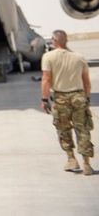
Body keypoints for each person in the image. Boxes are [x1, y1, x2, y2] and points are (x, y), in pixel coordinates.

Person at [40, 30, 94, 175]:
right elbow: (86, 81)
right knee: (82, 129)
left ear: (55, 41)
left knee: (63, 129)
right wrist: (87, 98)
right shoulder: (79, 57)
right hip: (78, 96)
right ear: (66, 41)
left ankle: (71, 159)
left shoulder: (48, 57)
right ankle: (87, 164)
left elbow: (46, 79)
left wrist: (44, 99)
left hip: (61, 98)